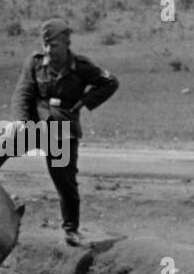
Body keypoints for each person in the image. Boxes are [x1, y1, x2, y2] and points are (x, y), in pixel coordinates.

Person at [9, 18, 119, 246]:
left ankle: (71, 229)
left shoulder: (81, 66)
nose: (50, 50)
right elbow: (23, 93)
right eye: (46, 45)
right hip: (36, 124)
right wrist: (21, 121)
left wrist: (85, 102)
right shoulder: (36, 63)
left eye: (55, 45)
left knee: (65, 182)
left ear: (67, 43)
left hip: (62, 131)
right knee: (4, 145)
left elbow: (110, 83)